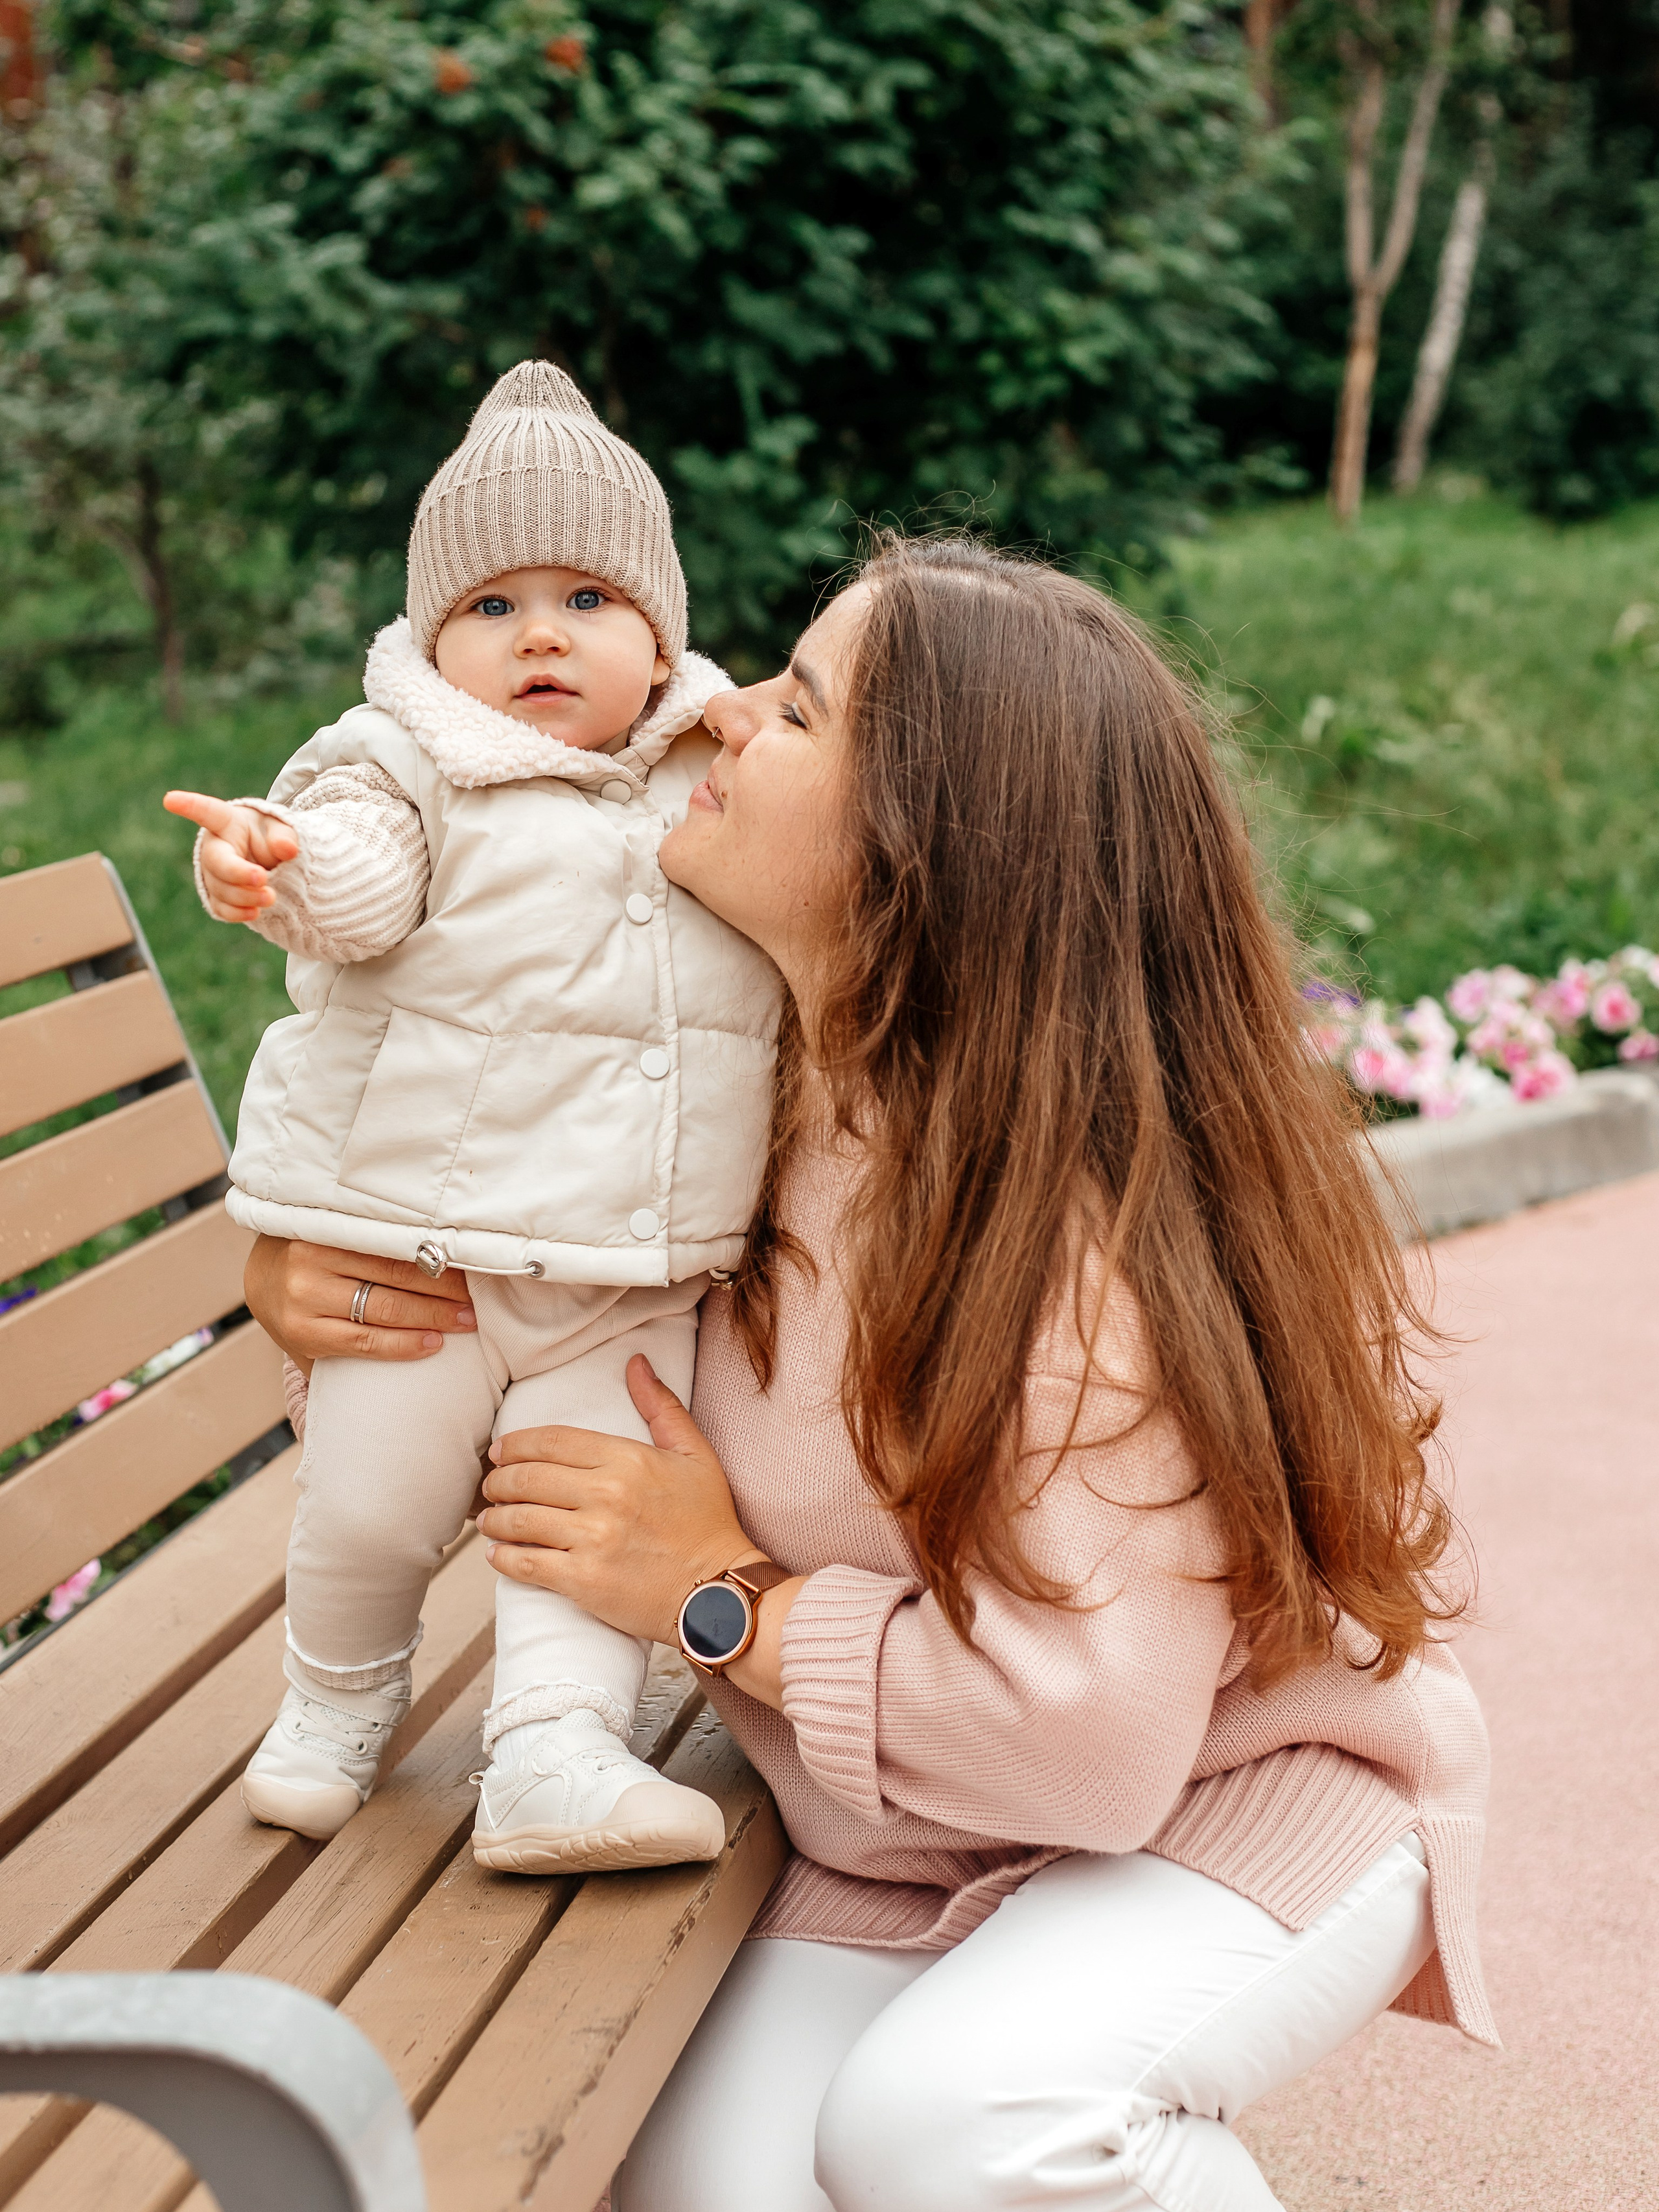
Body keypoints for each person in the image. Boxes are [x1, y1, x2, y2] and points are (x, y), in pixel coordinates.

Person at [249, 536, 1495, 2212]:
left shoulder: (1066, 1235)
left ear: (918, 847)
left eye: (798, 706)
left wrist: (723, 1596)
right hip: (903, 1829)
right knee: (694, 2167)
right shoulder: (735, 1083)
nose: (724, 711)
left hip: (1226, 1795)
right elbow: (505, 1275)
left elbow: (1097, 1752)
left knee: (958, 2122)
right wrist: (325, 1266)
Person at [163, 360, 782, 1869]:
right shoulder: (404, 760)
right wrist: (279, 863)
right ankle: (335, 1696)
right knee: (368, 1510)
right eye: (492, 609)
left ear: (663, 632)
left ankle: (553, 1756)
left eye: (586, 598)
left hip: (618, 1273)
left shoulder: (719, 761)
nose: (541, 636)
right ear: (437, 642)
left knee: (580, 1518)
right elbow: (359, 884)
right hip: (419, 1266)